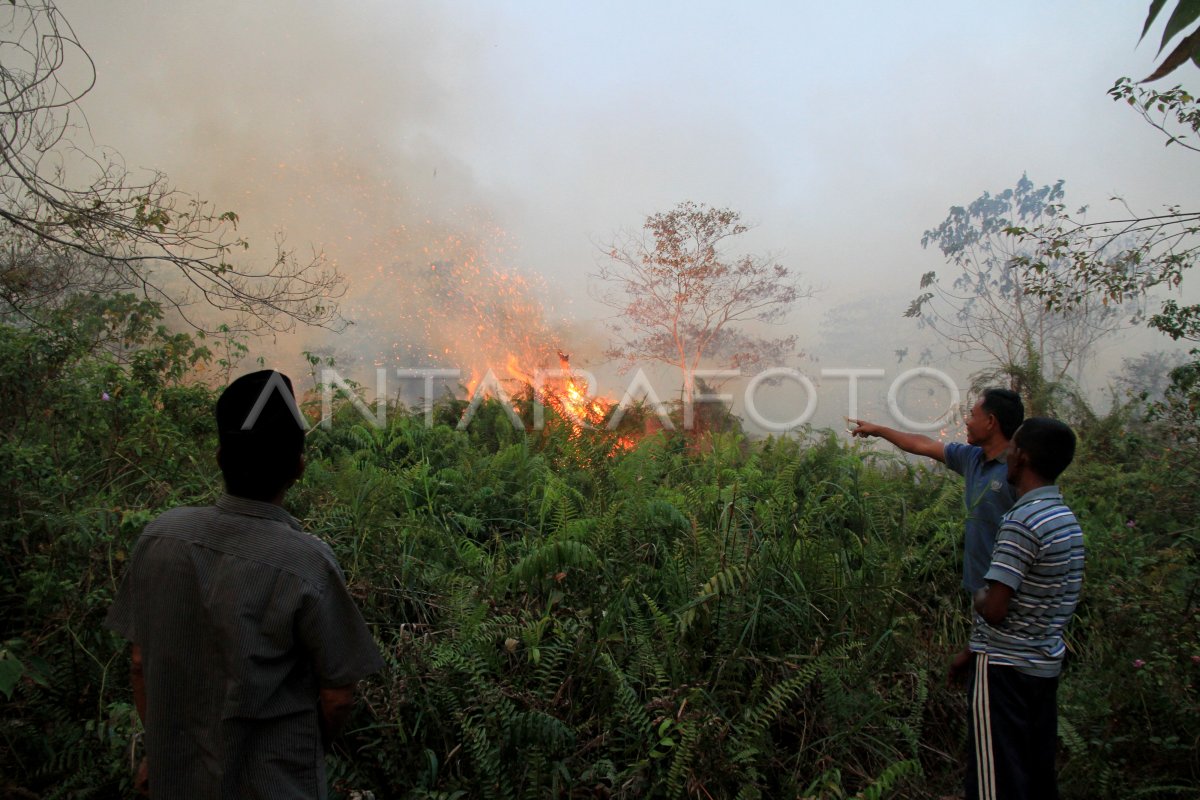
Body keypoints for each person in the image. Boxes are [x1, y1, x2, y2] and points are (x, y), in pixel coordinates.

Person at [105, 370, 384, 798]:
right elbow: (338, 697)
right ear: (299, 466)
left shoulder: (160, 537)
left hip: (176, 780)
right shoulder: (307, 563)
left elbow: (140, 662)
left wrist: (159, 753)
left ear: (219, 458)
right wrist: (302, 755)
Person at [948, 417, 1085, 799]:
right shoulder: (1065, 519)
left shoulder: (1021, 522)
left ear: (1021, 456)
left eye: (1012, 449)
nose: (1006, 454)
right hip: (1042, 666)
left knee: (995, 781)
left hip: (1004, 672)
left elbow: (994, 609)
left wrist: (979, 594)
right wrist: (968, 652)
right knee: (1034, 773)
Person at [849, 387, 1024, 592]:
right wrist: (878, 430)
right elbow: (922, 445)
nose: (967, 421)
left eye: (973, 416)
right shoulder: (972, 458)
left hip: (1009, 593)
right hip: (979, 589)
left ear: (991, 422)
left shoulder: (1018, 471)